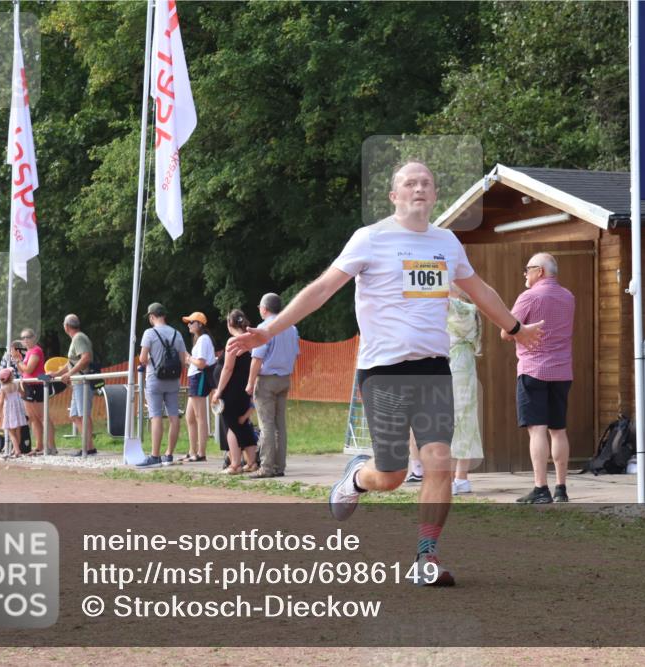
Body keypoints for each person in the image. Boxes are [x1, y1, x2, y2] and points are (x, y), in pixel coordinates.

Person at [228, 161, 542, 586]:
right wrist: (265, 331)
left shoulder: (446, 243)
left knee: (439, 461)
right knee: (392, 476)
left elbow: (480, 289)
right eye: (409, 183)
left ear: (434, 196)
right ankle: (358, 478)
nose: (419, 188)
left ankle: (425, 557)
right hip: (382, 371)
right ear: (394, 196)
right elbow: (321, 289)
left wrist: (516, 329)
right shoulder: (371, 239)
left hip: (434, 368)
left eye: (426, 183)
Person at [503, 253, 575, 504]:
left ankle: (540, 487)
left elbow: (506, 331)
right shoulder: (568, 297)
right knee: (559, 430)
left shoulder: (529, 297)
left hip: (533, 369)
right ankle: (561, 489)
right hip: (563, 370)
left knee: (537, 430)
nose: (525, 273)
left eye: (528, 269)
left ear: (540, 271)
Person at [246, 293, 299, 479]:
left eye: (260, 306)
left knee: (266, 424)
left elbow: (257, 359)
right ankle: (279, 466)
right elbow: (296, 353)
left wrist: (250, 383)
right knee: (280, 424)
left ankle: (266, 467)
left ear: (265, 308)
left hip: (267, 380)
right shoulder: (291, 328)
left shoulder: (263, 328)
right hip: (285, 378)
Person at [136, 303, 189, 468]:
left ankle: (155, 456)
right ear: (164, 316)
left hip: (155, 379)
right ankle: (169, 454)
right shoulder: (177, 334)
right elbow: (183, 360)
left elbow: (143, 359)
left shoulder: (149, 333)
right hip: (173, 380)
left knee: (156, 416)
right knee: (174, 416)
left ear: (152, 316)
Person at [211, 309, 260, 475]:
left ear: (229, 323)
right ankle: (252, 462)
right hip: (244, 388)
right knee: (243, 424)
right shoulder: (250, 340)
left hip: (231, 390)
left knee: (230, 426)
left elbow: (228, 367)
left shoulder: (233, 341)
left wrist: (218, 391)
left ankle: (235, 464)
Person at [447, 286, 483, 495]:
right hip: (460, 365)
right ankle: (459, 478)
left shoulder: (464, 309)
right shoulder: (465, 309)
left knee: (457, 419)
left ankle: (458, 477)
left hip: (457, 367)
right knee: (461, 419)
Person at [55, 314, 96, 456]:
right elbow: (71, 363)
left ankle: (89, 447)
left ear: (66, 326)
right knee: (74, 415)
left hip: (82, 382)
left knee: (84, 415)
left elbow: (85, 358)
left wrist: (69, 374)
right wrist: (56, 374)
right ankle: (87, 445)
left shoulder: (78, 338)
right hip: (77, 382)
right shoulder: (77, 339)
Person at [13, 328, 57, 455]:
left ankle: (51, 447)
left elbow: (29, 369)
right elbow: (23, 371)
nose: (25, 340)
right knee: (33, 418)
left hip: (36, 386)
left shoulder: (36, 350)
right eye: (23, 337)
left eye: (27, 337)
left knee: (43, 417)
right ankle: (39, 447)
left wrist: (18, 361)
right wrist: (18, 362)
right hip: (29, 386)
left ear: (34, 338)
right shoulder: (29, 352)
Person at [181, 311, 215, 463]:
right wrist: (189, 360)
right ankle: (192, 451)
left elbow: (201, 363)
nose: (188, 324)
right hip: (194, 377)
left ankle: (201, 453)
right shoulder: (200, 340)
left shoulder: (203, 340)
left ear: (200, 324)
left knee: (200, 416)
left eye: (191, 322)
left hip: (199, 376)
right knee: (190, 417)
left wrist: (189, 358)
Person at [0, 367, 28, 458]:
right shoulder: (16, 384)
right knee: (18, 431)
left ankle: (17, 451)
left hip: (9, 410)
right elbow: (22, 394)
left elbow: (1, 401)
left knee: (11, 432)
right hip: (18, 409)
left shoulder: (3, 388)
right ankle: (16, 449)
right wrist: (22, 385)